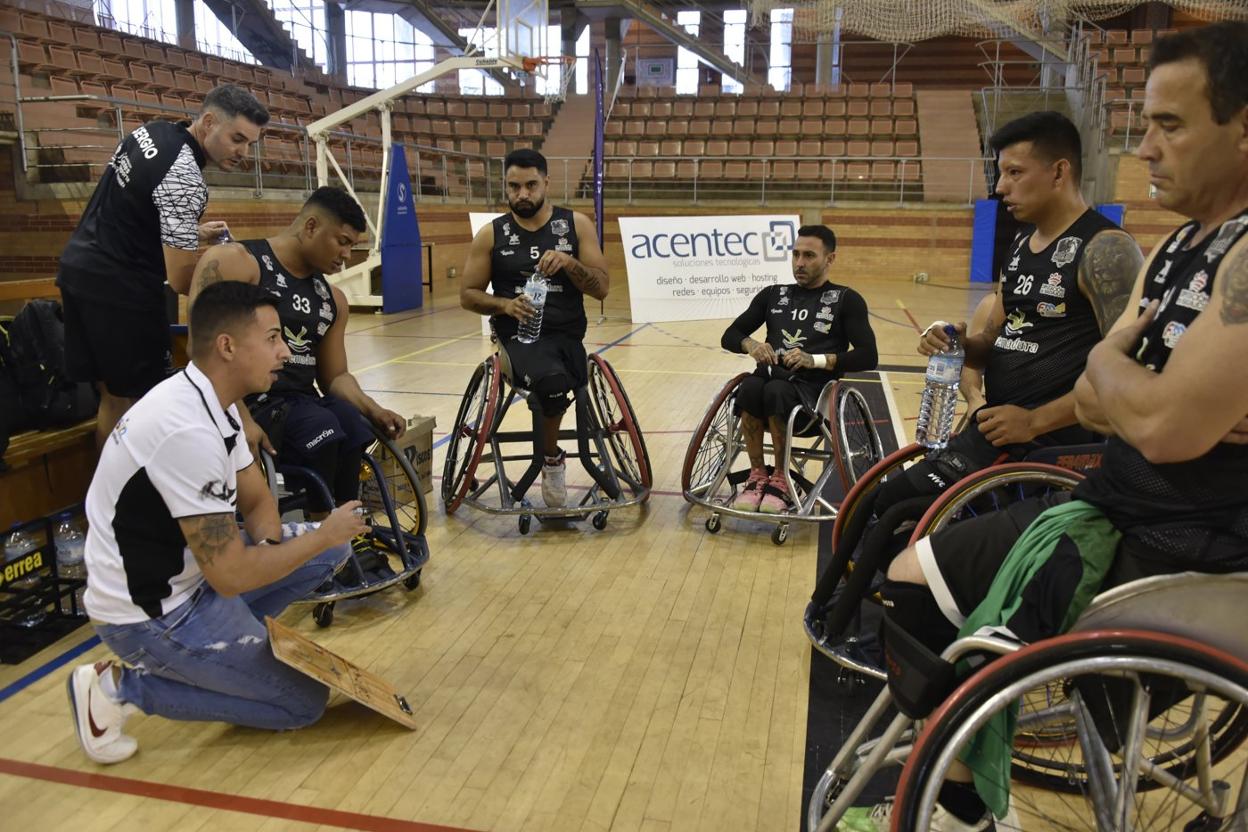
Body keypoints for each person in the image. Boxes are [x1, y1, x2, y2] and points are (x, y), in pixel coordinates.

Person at [839, 22, 1248, 831]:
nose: (1145, 147)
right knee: (910, 574)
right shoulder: (1178, 251)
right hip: (1115, 501)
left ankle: (956, 793)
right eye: (1145, 124)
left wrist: (1124, 378)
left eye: (1170, 124)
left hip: (1188, 546)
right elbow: (1105, 386)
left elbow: (1160, 426)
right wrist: (1125, 380)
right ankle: (961, 779)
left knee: (947, 611)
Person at [67, 282, 367, 765]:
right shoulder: (185, 430)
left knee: (331, 549)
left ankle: (229, 649)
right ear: (227, 346)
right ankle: (117, 689)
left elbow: (256, 501)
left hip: (196, 580)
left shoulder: (218, 403)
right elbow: (229, 575)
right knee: (302, 704)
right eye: (271, 338)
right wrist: (314, 539)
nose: (285, 351)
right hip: (151, 616)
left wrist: (279, 550)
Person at [883, 111, 1143, 515]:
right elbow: (993, 342)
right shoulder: (1021, 245)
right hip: (1000, 435)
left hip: (1056, 448)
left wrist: (1036, 421)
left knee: (900, 513)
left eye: (1014, 172)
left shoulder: (1106, 250)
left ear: (1059, 173)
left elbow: (1126, 375)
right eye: (1001, 173)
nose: (1001, 187)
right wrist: (957, 343)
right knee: (880, 504)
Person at [56, 84, 270, 450]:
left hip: (78, 271)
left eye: (250, 143)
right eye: (237, 139)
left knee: (114, 399)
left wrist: (190, 232)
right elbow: (184, 278)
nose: (243, 152)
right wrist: (231, 273)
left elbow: (133, 207)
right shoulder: (185, 175)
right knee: (146, 405)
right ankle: (137, 499)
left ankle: (110, 499)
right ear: (208, 122)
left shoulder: (150, 132)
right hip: (120, 293)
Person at [189, 186, 406, 521]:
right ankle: (323, 536)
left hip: (301, 403)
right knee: (320, 426)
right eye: (343, 241)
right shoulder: (238, 262)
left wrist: (374, 409)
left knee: (351, 422)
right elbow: (201, 351)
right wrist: (240, 419)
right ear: (311, 227)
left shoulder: (333, 299)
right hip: (250, 402)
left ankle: (347, 530)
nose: (347, 254)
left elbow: (335, 377)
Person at [458, 148, 610, 507]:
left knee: (562, 373)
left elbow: (602, 286)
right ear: (505, 187)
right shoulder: (490, 234)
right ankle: (552, 460)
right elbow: (467, 295)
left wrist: (571, 263)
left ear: (546, 183)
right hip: (518, 338)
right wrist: (504, 304)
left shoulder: (576, 225)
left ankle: (552, 450)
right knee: (552, 382)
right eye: (514, 186)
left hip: (567, 335)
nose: (522, 194)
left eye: (530, 185)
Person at [720, 225, 878, 513]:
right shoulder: (772, 295)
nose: (800, 263)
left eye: (809, 256)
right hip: (769, 386)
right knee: (752, 386)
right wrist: (750, 345)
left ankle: (781, 481)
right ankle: (757, 476)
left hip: (812, 398)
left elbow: (869, 356)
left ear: (830, 259)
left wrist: (815, 359)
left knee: (776, 390)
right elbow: (730, 335)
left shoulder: (847, 299)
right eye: (795, 255)